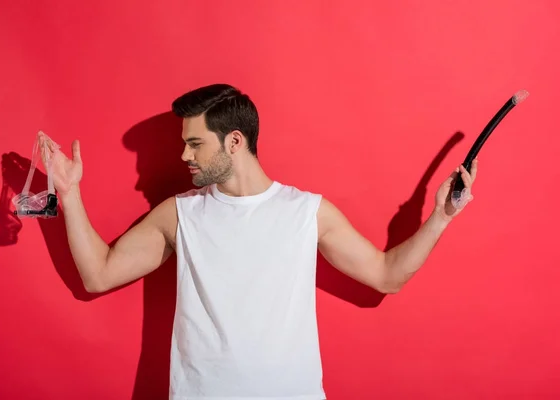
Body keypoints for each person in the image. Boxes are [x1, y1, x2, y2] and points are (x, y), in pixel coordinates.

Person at [45, 83, 477, 399]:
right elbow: (98, 275)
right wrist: (69, 194)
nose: (184, 156)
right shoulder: (180, 214)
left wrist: (441, 217)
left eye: (195, 143)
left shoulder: (306, 211)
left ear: (234, 141)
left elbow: (387, 276)